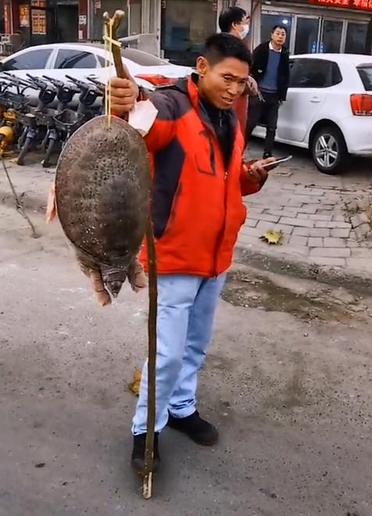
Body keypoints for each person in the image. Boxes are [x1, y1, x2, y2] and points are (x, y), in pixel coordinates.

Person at [109, 33, 274, 473]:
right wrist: (125, 101)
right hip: (174, 257)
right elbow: (139, 123)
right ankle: (145, 432)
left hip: (216, 257)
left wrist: (250, 176)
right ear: (201, 68)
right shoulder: (171, 107)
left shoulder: (230, 120)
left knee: (196, 346)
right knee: (166, 352)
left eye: (242, 82)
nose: (235, 89)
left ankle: (181, 408)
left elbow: (225, 179)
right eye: (228, 78)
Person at [246, 25, 290, 158]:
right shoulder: (262, 49)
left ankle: (267, 154)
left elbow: (285, 75)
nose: (280, 36)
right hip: (259, 93)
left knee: (272, 127)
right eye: (278, 33)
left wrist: (282, 95)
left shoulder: (285, 53)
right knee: (250, 124)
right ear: (272, 35)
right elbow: (251, 68)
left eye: (283, 34)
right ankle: (239, 149)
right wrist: (253, 88)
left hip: (274, 95)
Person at [218, 6, 259, 141]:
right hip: (230, 106)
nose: (247, 26)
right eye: (244, 23)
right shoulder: (227, 47)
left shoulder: (236, 45)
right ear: (235, 25)